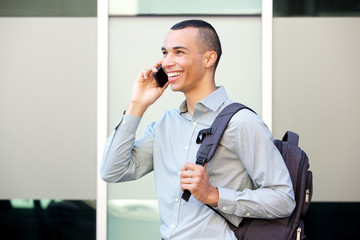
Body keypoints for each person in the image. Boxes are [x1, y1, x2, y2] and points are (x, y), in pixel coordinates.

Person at [101, 19, 295, 240]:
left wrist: (213, 195)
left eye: (179, 52)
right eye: (165, 53)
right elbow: (112, 171)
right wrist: (137, 105)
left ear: (209, 59)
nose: (167, 62)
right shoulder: (166, 124)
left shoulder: (242, 122)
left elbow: (283, 198)